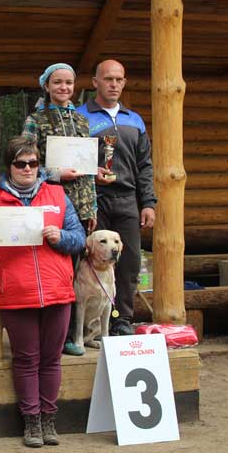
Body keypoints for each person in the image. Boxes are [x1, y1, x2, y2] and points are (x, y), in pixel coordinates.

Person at [0, 137, 85, 448]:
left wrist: (60, 236)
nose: (27, 168)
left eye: (32, 163)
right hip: (16, 291)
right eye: (20, 163)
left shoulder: (57, 194)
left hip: (57, 290)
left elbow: (79, 238)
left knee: (51, 359)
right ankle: (31, 422)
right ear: (9, 166)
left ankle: (49, 418)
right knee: (26, 359)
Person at [76, 59, 156, 337]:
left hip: (127, 199)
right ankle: (87, 325)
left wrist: (148, 202)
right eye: (108, 79)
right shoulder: (80, 116)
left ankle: (120, 318)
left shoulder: (134, 120)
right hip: (93, 198)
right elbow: (70, 161)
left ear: (124, 82)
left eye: (119, 79)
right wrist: (89, 173)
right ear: (95, 82)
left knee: (129, 262)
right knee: (89, 260)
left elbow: (145, 165)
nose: (113, 84)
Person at [22, 62, 96, 231]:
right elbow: (24, 163)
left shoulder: (82, 121)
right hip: (49, 203)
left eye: (69, 83)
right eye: (57, 82)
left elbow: (89, 170)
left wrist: (92, 209)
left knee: (77, 255)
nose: (64, 87)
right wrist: (56, 174)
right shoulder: (35, 120)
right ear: (46, 86)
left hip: (81, 209)